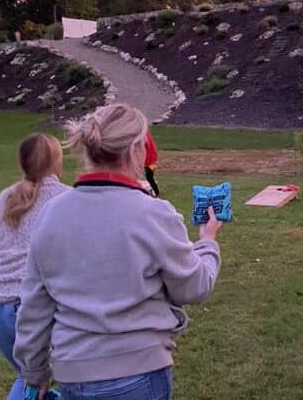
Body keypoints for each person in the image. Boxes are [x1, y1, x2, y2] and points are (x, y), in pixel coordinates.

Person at [14, 103, 222, 400]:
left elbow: (34, 306)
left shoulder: (50, 214)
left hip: (73, 374)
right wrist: (208, 242)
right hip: (139, 372)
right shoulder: (153, 214)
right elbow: (193, 287)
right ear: (137, 149)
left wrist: (34, 373)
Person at [0, 134, 69, 400]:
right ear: (56, 162)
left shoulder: (4, 198)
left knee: (32, 377)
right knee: (48, 376)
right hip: (33, 305)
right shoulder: (66, 199)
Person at [144, 131, 160, 197]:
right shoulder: (147, 135)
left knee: (149, 177)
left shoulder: (145, 136)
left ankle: (156, 193)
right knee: (149, 177)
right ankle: (154, 191)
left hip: (149, 162)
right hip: (151, 161)